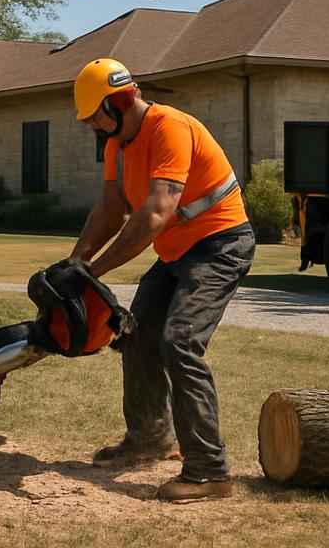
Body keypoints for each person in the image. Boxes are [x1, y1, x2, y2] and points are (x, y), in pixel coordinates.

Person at [66, 57, 255, 503]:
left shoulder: (169, 127)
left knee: (180, 340)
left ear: (122, 99)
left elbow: (155, 212)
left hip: (220, 242)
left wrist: (94, 271)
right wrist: (76, 260)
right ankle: (150, 437)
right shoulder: (116, 144)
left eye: (96, 115)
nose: (92, 126)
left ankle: (210, 472)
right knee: (136, 333)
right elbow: (112, 208)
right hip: (176, 251)